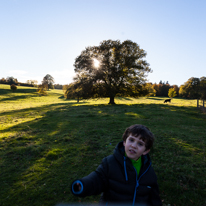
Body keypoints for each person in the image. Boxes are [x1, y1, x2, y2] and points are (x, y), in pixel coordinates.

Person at [71, 124, 162, 206]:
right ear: (124, 142)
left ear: (145, 151)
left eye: (140, 144)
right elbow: (97, 179)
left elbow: (154, 198)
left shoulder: (148, 172)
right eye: (131, 140)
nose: (134, 146)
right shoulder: (110, 163)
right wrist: (83, 185)